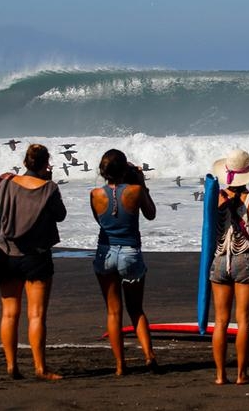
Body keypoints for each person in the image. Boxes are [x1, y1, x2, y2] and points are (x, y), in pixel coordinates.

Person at [0, 143, 67, 380]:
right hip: (36, 256)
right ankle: (40, 368)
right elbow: (60, 216)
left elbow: (0, 207)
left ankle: (11, 365)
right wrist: (49, 181)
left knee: (9, 313)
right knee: (36, 315)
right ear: (46, 164)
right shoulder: (49, 188)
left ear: (25, 162)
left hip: (6, 254)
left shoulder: (5, 185)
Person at [90, 149, 158, 375]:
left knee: (113, 311)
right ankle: (149, 356)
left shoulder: (95, 194)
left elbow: (101, 221)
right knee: (136, 309)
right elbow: (151, 214)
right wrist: (141, 183)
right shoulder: (136, 191)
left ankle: (120, 365)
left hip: (105, 252)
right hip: (130, 251)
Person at [209, 149, 249, 385]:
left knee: (220, 321)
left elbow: (208, 232)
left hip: (219, 258)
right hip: (245, 258)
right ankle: (241, 375)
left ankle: (219, 375)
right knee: (243, 320)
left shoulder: (215, 198)